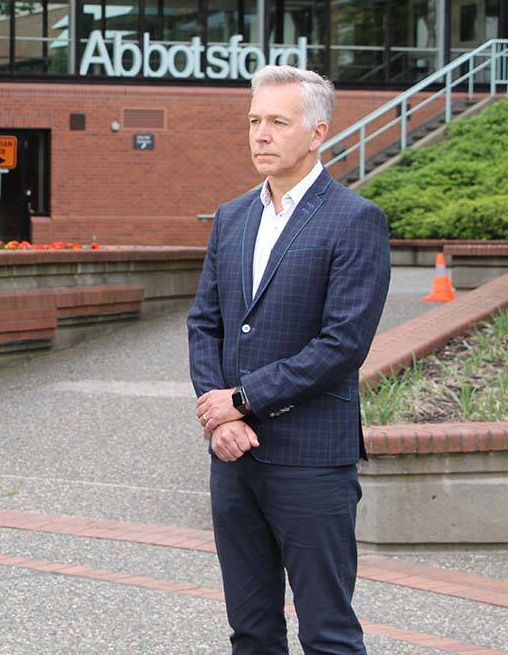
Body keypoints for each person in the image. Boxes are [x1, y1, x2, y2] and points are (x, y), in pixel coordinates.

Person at [187, 65, 391, 654]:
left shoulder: (354, 220)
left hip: (310, 460)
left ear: (318, 131)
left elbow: (342, 344)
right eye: (254, 121)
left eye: (278, 121)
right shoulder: (232, 217)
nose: (261, 134)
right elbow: (206, 323)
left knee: (327, 633)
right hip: (234, 459)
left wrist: (243, 400)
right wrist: (220, 416)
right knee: (251, 631)